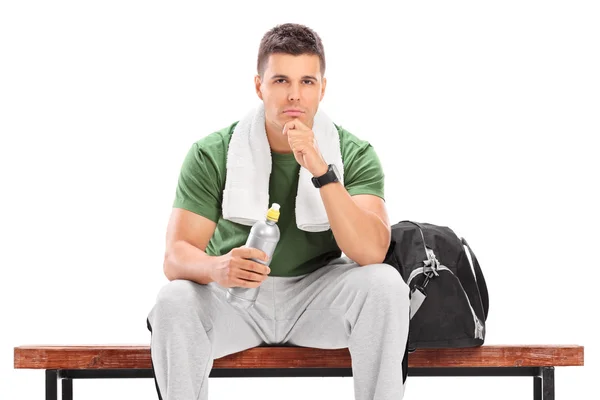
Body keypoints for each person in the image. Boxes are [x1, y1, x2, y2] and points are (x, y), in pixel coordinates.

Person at [146, 23, 410, 400]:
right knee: (173, 300)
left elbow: (370, 252)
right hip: (234, 299)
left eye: (306, 82)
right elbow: (176, 257)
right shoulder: (212, 152)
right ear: (259, 86)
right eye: (281, 80)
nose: (294, 96)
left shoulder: (353, 153)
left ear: (322, 88)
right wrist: (219, 267)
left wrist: (321, 169)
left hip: (317, 296)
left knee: (386, 285)